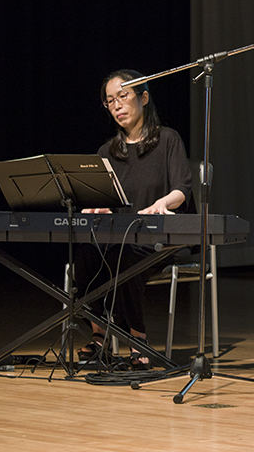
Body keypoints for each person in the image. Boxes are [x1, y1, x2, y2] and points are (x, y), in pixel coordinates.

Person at [75, 69, 193, 370]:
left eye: (122, 96)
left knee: (124, 256)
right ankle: (99, 336)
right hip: (120, 237)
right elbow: (104, 199)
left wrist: (162, 203)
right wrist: (99, 208)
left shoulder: (168, 139)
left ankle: (137, 338)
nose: (116, 105)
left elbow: (183, 189)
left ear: (143, 98)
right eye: (109, 100)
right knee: (88, 251)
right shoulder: (107, 151)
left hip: (161, 238)